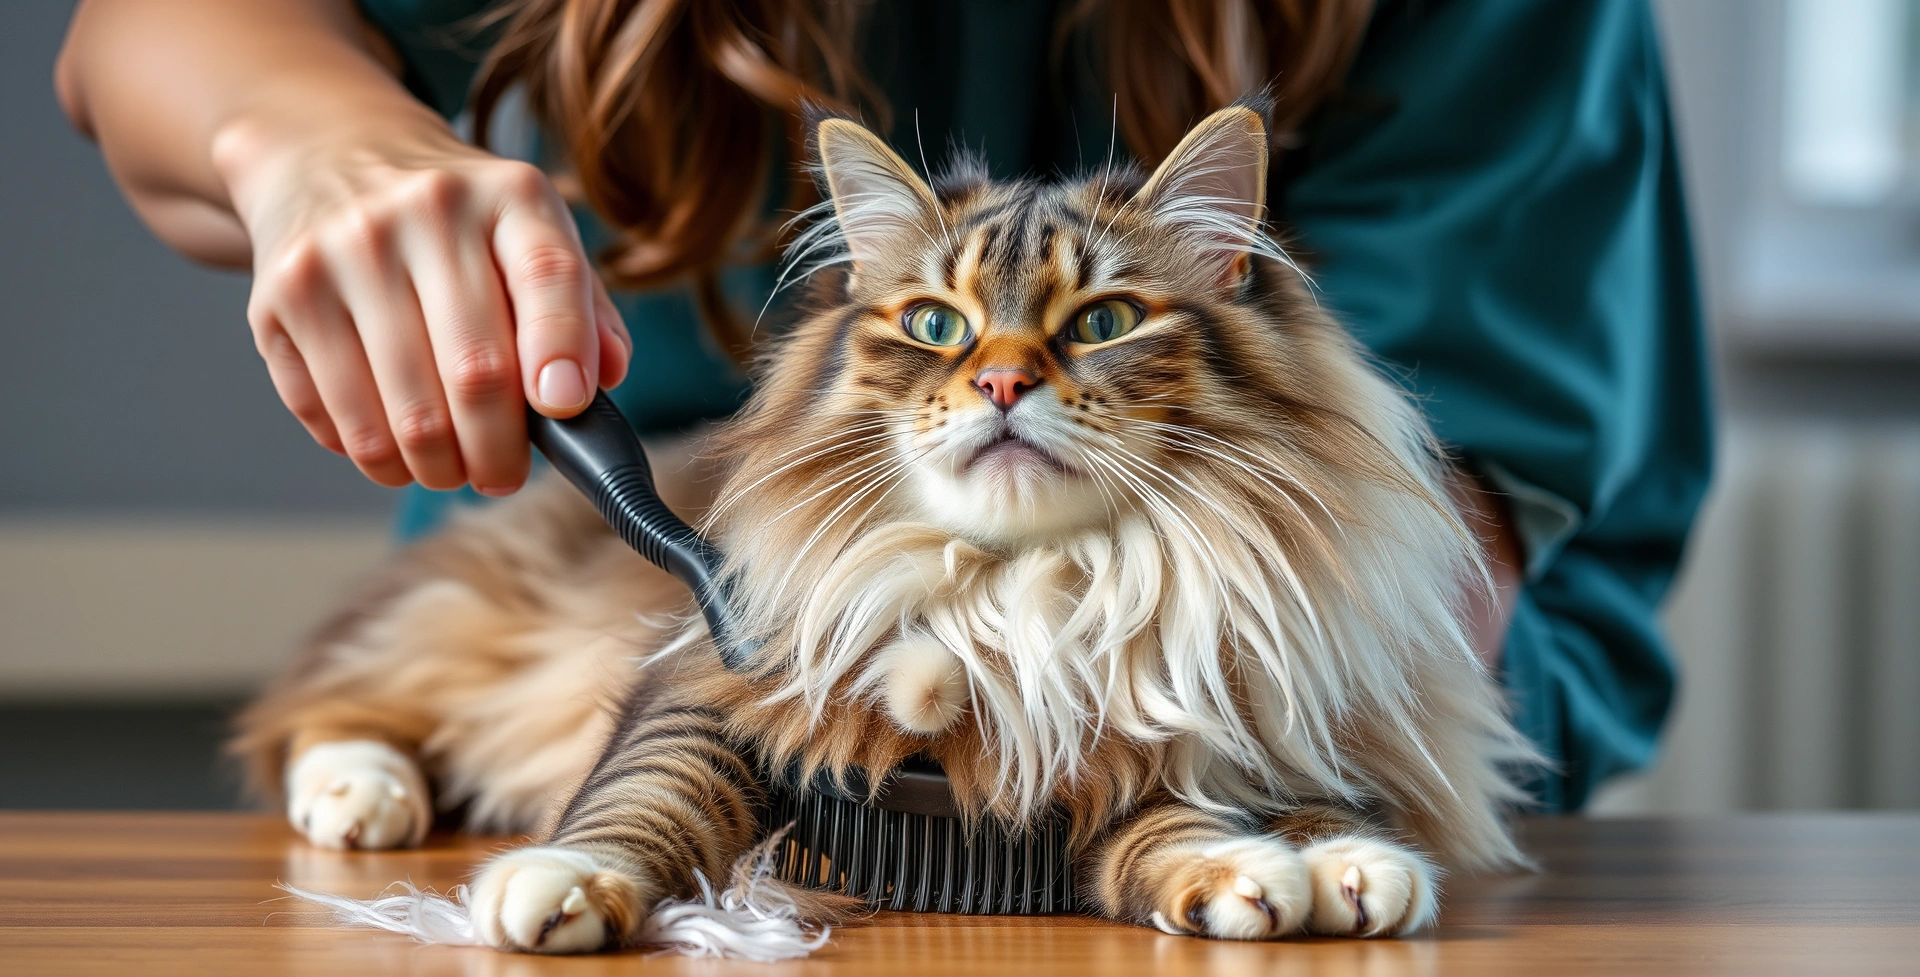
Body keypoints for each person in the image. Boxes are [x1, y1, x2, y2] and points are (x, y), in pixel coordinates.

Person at [56, 0, 1711, 812]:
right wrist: (308, 137)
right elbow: (137, 42)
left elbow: (1425, 553)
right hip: (590, 684)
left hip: (1245, 768)